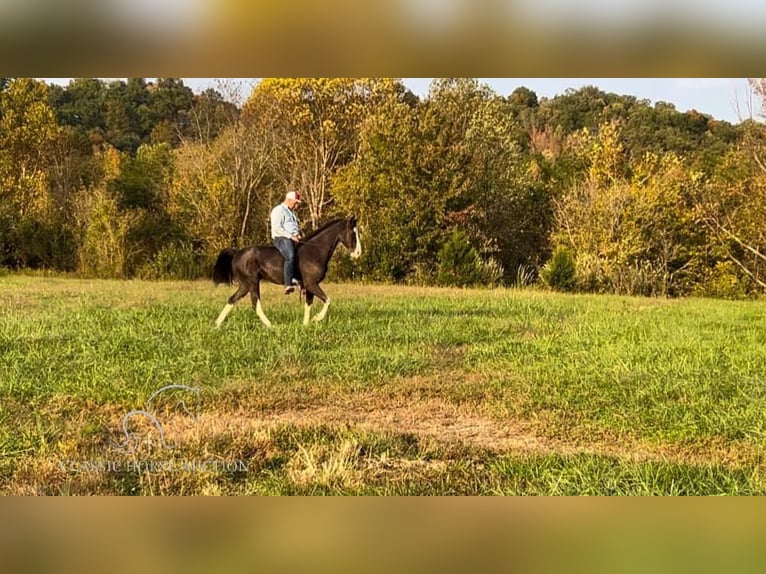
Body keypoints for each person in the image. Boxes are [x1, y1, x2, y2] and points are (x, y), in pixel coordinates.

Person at [270, 190, 303, 294]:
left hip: (292, 237)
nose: (296, 205)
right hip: (281, 238)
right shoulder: (278, 210)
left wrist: (297, 235)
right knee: (290, 256)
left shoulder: (291, 212)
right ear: (289, 200)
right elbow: (277, 228)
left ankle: (301, 281)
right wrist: (291, 236)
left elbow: (293, 227)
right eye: (295, 202)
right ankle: (288, 283)